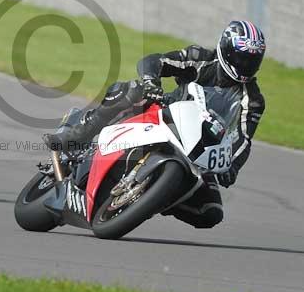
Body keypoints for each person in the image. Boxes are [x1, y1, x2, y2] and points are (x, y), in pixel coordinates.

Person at [44, 20, 266, 229]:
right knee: (132, 90)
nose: (245, 65)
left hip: (199, 149)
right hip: (165, 114)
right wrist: (152, 83)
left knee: (211, 212)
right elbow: (155, 61)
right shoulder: (201, 59)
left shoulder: (253, 100)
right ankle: (74, 136)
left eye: (252, 60)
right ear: (226, 50)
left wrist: (232, 167)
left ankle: (155, 197)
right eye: (240, 58)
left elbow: (243, 139)